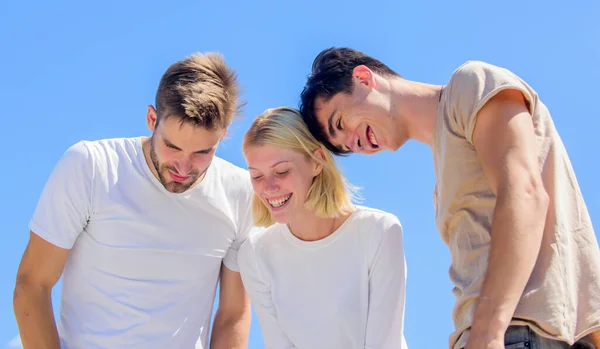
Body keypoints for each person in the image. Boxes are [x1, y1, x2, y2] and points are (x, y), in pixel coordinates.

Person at [298, 47, 600, 349]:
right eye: (345, 147)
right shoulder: (443, 172)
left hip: (516, 332)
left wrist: (487, 333)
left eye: (340, 123)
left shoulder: (470, 85)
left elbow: (526, 194)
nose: (355, 143)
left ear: (364, 78)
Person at [13, 52, 254, 349]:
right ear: (152, 119)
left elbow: (233, 314)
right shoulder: (91, 167)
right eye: (172, 147)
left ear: (223, 135)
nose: (182, 167)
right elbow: (32, 285)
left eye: (201, 153)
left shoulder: (240, 192)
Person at [238, 106, 408, 349]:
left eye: (282, 171)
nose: (269, 187)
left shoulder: (379, 232)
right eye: (256, 176)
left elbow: (384, 344)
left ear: (317, 161)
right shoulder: (254, 254)